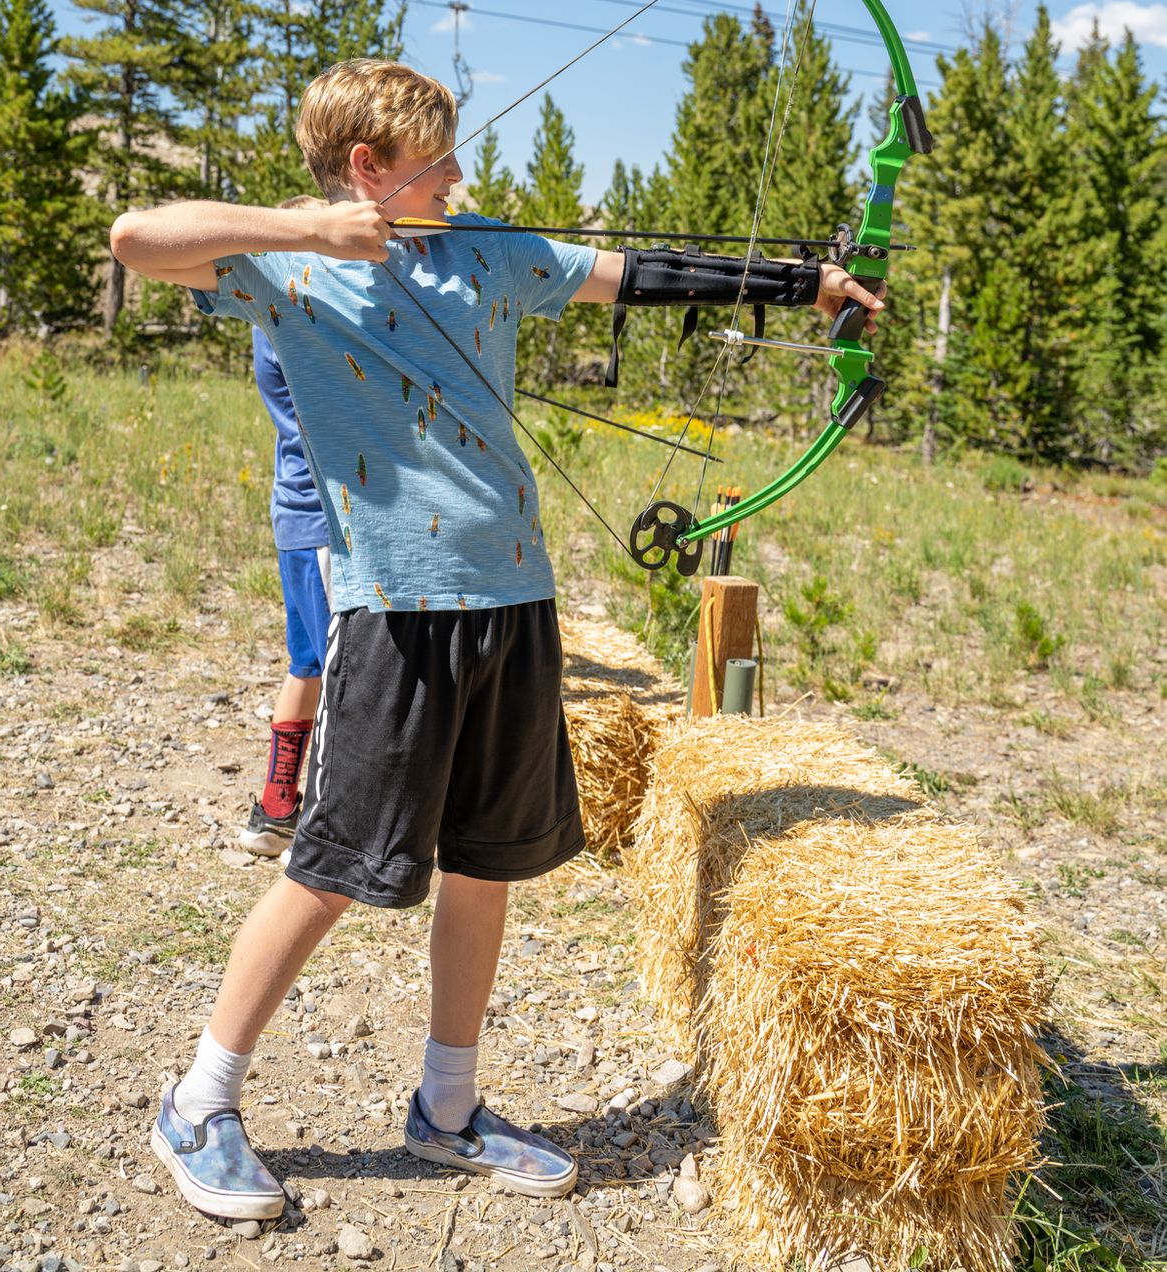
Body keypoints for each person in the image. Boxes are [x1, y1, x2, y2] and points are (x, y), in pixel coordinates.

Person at [109, 59, 881, 1223]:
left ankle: (450, 1108)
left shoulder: (487, 255)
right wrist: (310, 225)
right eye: (437, 160)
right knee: (329, 872)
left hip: (514, 599)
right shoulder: (284, 264)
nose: (463, 175)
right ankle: (199, 1101)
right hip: (396, 613)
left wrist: (805, 283)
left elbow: (648, 273)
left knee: (485, 863)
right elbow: (134, 234)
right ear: (367, 169)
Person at [238, 195, 331, 860]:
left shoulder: (280, 312)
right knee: (345, 672)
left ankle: (275, 811)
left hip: (300, 518)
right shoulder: (295, 319)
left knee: (308, 664)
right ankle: (332, 823)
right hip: (323, 523)